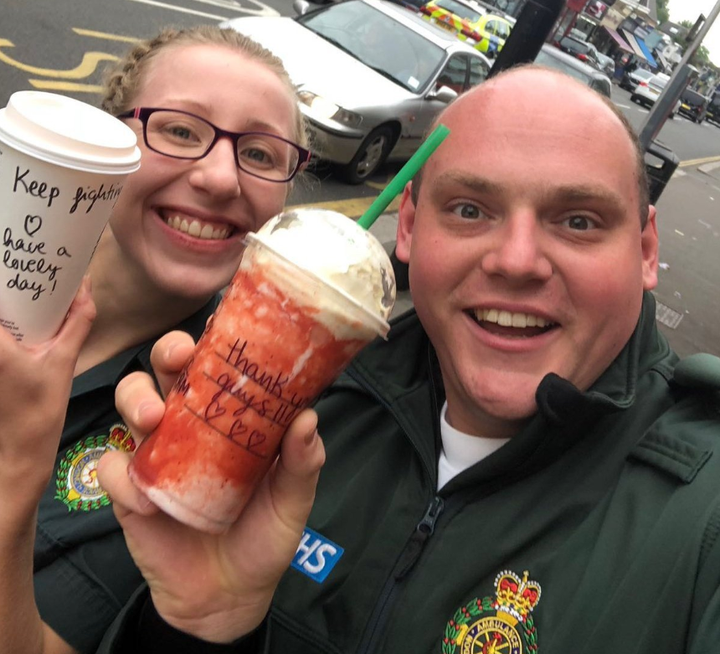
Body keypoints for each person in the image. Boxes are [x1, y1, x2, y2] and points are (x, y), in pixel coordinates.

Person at [96, 65, 720, 653]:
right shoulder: (303, 411)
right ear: (411, 227)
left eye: (579, 221)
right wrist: (201, 625)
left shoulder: (702, 516)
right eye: (470, 210)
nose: (515, 260)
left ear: (645, 248)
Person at [0, 24, 309, 654]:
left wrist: (14, 467)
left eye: (259, 154)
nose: (221, 178)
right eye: (180, 130)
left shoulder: (216, 427)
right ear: (112, 139)